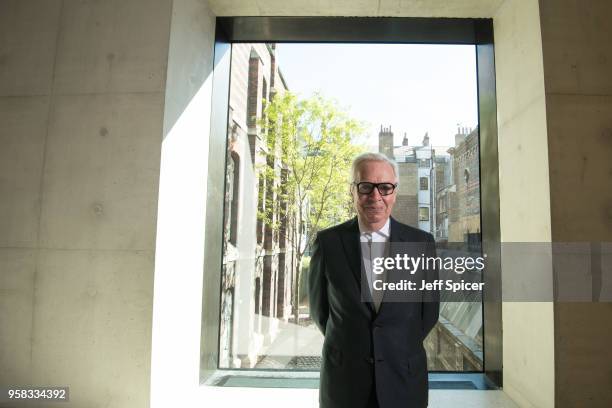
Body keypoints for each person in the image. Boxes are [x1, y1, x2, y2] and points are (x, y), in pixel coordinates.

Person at [308, 152, 440, 408]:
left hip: (403, 380)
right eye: (366, 187)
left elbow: (428, 314)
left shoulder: (422, 244)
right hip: (344, 382)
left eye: (385, 187)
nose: (375, 197)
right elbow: (320, 312)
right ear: (352, 191)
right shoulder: (328, 243)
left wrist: (392, 346)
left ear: (394, 192)